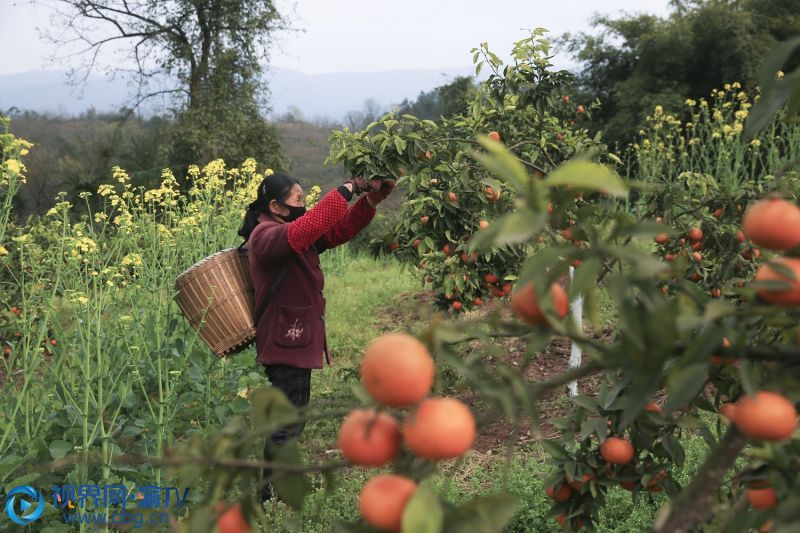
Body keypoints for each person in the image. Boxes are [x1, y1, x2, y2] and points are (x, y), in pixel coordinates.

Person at [237, 172, 395, 502]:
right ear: (275, 206)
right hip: (283, 342)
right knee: (287, 423)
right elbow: (305, 229)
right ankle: (272, 495)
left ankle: (271, 490)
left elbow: (336, 231)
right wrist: (347, 189)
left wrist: (369, 201)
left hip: (292, 339)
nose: (303, 206)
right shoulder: (265, 236)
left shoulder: (286, 229)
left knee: (290, 418)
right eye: (297, 201)